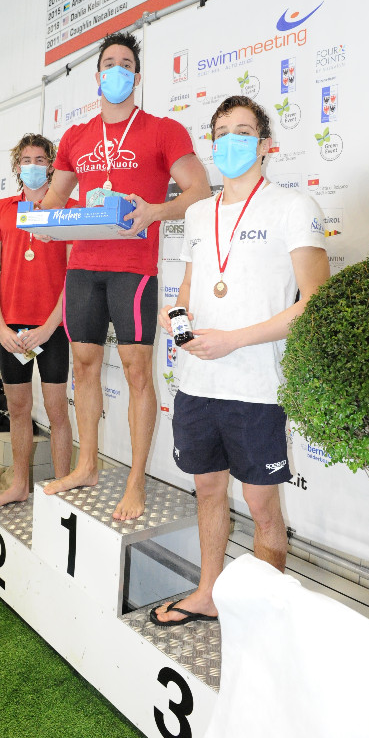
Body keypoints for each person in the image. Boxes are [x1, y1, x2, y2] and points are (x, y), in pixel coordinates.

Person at [150, 95, 330, 626]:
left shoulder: (293, 206)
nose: (231, 140)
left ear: (265, 144)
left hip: (256, 386)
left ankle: (262, 621)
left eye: (244, 131)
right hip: (196, 382)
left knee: (261, 504)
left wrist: (235, 340)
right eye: (222, 131)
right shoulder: (198, 213)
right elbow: (189, 287)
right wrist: (175, 316)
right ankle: (208, 593)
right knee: (208, 489)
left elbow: (315, 302)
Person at [41, 31, 211, 520]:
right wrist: (42, 221)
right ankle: (87, 465)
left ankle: (136, 481)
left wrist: (155, 211)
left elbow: (199, 191)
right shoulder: (76, 137)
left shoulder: (162, 130)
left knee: (137, 371)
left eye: (126, 64)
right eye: (109, 63)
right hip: (83, 267)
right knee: (84, 366)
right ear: (97, 76)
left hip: (133, 269)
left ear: (136, 77)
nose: (116, 70)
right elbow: (55, 198)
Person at [0, 133, 74, 509]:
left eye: (40, 159)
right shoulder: (0, 210)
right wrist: (1, 327)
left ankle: (63, 489)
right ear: (17, 165)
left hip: (53, 329)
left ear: (51, 165)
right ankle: (20, 485)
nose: (32, 165)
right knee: (18, 410)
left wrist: (49, 327)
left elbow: (75, 275)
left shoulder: (68, 208)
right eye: (26, 159)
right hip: (13, 331)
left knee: (56, 411)